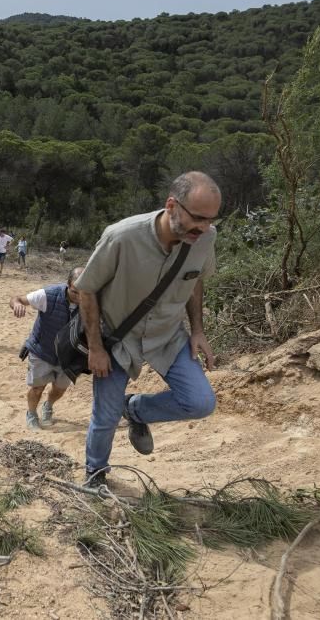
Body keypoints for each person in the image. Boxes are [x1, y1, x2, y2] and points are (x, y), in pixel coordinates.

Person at [75, 171, 220, 488]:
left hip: (167, 336)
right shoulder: (122, 237)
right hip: (118, 339)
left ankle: (136, 410)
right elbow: (87, 289)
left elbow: (195, 280)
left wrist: (198, 330)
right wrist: (97, 349)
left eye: (211, 220)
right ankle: (96, 475)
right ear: (172, 205)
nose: (205, 228)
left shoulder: (205, 238)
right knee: (105, 418)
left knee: (201, 402)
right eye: (198, 218)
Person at [10, 268, 83, 431]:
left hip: (69, 356)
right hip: (42, 350)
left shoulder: (91, 299)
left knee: (60, 388)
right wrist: (16, 305)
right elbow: (17, 299)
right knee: (37, 387)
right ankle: (31, 413)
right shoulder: (48, 295)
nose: (79, 297)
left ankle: (48, 405)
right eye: (74, 292)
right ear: (67, 285)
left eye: (82, 293)